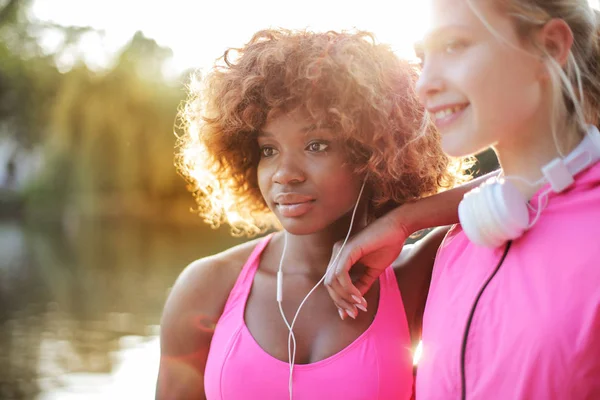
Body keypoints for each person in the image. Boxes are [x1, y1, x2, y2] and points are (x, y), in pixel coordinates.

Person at [155, 29, 476, 399]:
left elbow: (533, 184)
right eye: (268, 150)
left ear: (373, 154)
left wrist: (404, 221)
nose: (284, 174)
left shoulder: (414, 275)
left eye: (316, 145)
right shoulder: (208, 286)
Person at [325, 1, 600, 398]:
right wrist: (403, 220)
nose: (424, 85)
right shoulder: (464, 238)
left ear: (551, 46)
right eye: (423, 57)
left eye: (455, 46)